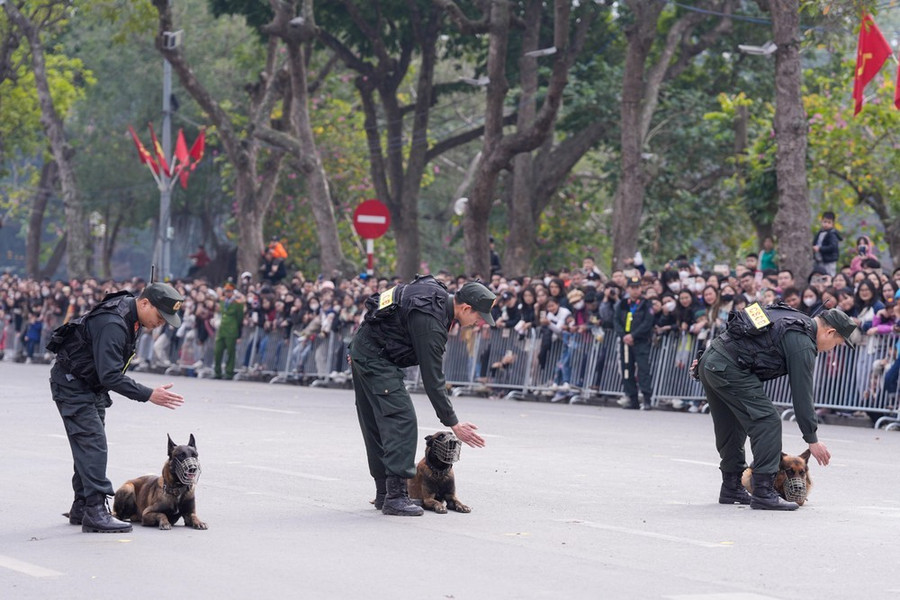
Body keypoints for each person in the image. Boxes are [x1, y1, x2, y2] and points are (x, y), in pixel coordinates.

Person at [47, 282, 186, 533]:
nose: (161, 323)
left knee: (88, 446)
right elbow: (110, 375)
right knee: (94, 445)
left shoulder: (132, 315)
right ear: (144, 303)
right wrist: (148, 394)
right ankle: (95, 511)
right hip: (74, 385)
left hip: (88, 385)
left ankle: (82, 505)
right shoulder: (113, 323)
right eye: (160, 316)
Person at [694, 303, 860, 510]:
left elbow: (738, 324)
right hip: (727, 367)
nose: (832, 349)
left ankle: (732, 486)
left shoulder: (787, 314)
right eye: (836, 343)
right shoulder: (803, 342)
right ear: (830, 332)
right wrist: (812, 438)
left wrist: (707, 358)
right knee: (768, 421)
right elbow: (802, 394)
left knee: (732, 424)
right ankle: (763, 491)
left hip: (711, 359)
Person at [349, 276, 490, 516]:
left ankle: (385, 493)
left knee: (377, 422)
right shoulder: (431, 321)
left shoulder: (431, 291)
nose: (479, 323)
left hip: (367, 351)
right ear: (466, 308)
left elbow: (380, 309)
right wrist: (453, 422)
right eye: (478, 317)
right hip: (376, 359)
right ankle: (396, 497)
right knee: (401, 420)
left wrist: (357, 344)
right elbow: (433, 377)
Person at [614, 276, 654, 410]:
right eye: (632, 287)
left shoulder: (646, 303)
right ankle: (632, 399)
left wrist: (633, 335)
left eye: (637, 287)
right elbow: (616, 321)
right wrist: (624, 336)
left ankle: (647, 399)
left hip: (640, 341)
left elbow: (648, 322)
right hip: (625, 342)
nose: (635, 290)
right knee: (627, 370)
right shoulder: (623, 303)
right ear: (628, 289)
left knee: (643, 370)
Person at [213, 280, 245, 379]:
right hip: (222, 330)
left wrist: (238, 332)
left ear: (233, 292)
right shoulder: (222, 301)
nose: (228, 293)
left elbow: (240, 318)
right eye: (226, 291)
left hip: (232, 330)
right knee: (217, 351)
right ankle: (217, 372)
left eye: (230, 291)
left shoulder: (238, 303)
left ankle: (229, 372)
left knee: (231, 353)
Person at [812, 211, 842, 276]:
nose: (826, 224)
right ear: (821, 222)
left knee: (829, 275)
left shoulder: (832, 234)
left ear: (833, 224)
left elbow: (832, 247)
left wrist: (820, 249)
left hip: (829, 260)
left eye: (829, 222)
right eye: (825, 222)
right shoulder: (820, 233)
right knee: (819, 275)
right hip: (819, 259)